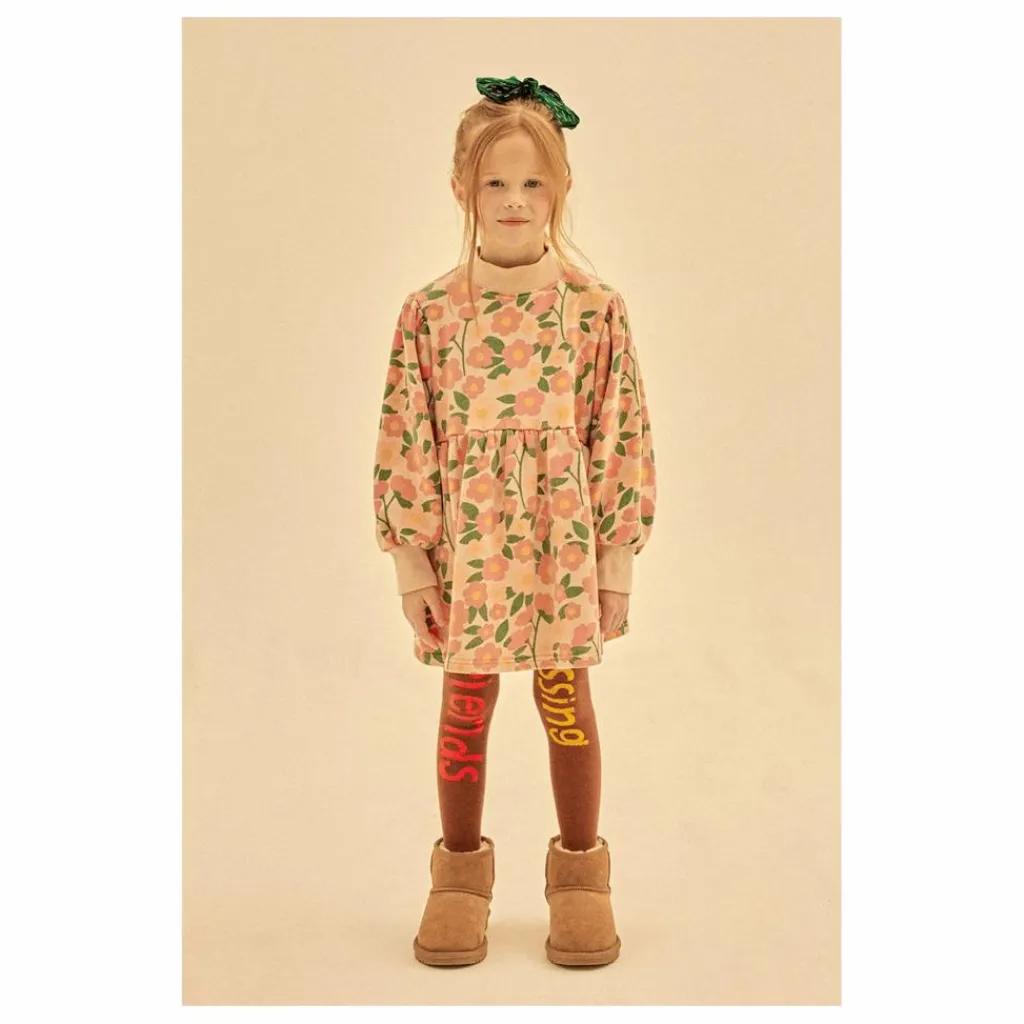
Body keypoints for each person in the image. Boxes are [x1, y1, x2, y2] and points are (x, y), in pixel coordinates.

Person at [371, 76, 657, 968]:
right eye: (495, 182)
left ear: (561, 188)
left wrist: (615, 565)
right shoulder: (428, 313)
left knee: (564, 698)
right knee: (466, 699)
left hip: (562, 548)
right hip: (468, 548)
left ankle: (581, 877)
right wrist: (413, 565)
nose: (514, 200)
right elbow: (406, 436)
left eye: (534, 182)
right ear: (462, 187)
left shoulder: (595, 308)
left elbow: (620, 433)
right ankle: (459, 877)